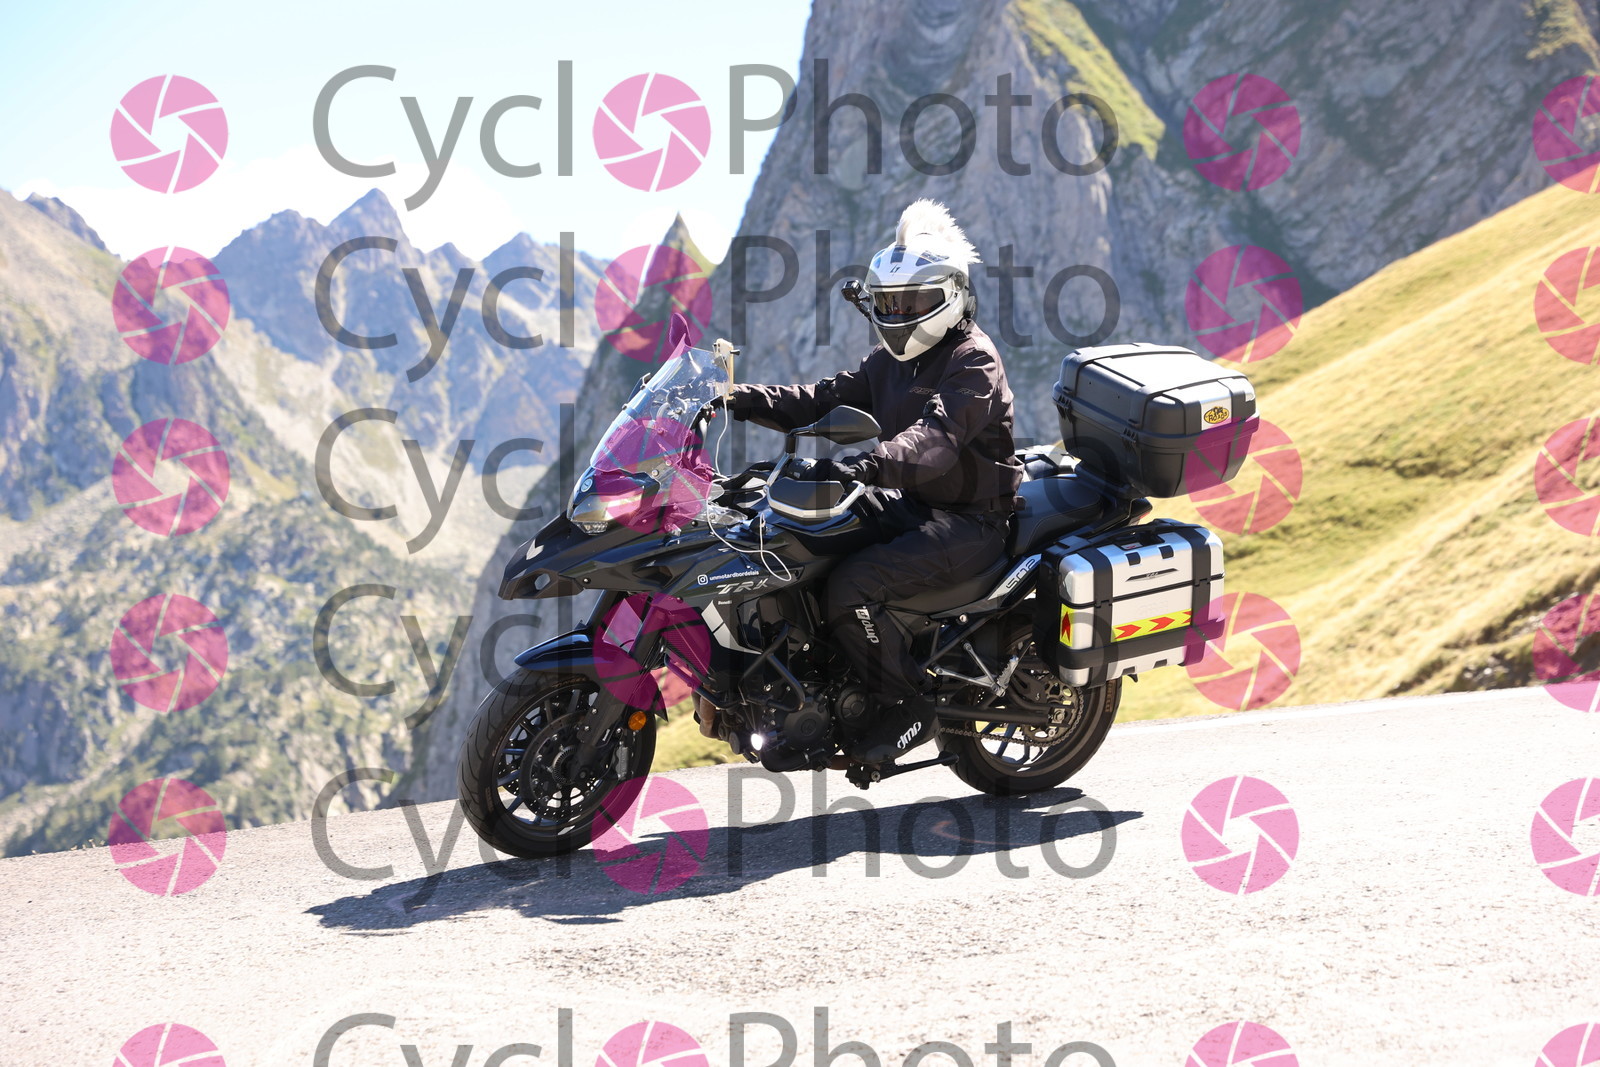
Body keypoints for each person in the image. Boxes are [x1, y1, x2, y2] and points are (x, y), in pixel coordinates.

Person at [723, 199, 1023, 765]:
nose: (897, 313)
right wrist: (738, 400)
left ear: (949, 297)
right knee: (798, 543)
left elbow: (934, 441)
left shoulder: (972, 361)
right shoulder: (891, 363)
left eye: (911, 302)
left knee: (852, 586)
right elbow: (821, 398)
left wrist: (867, 466)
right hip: (912, 503)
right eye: (887, 302)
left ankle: (906, 703)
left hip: (971, 521)